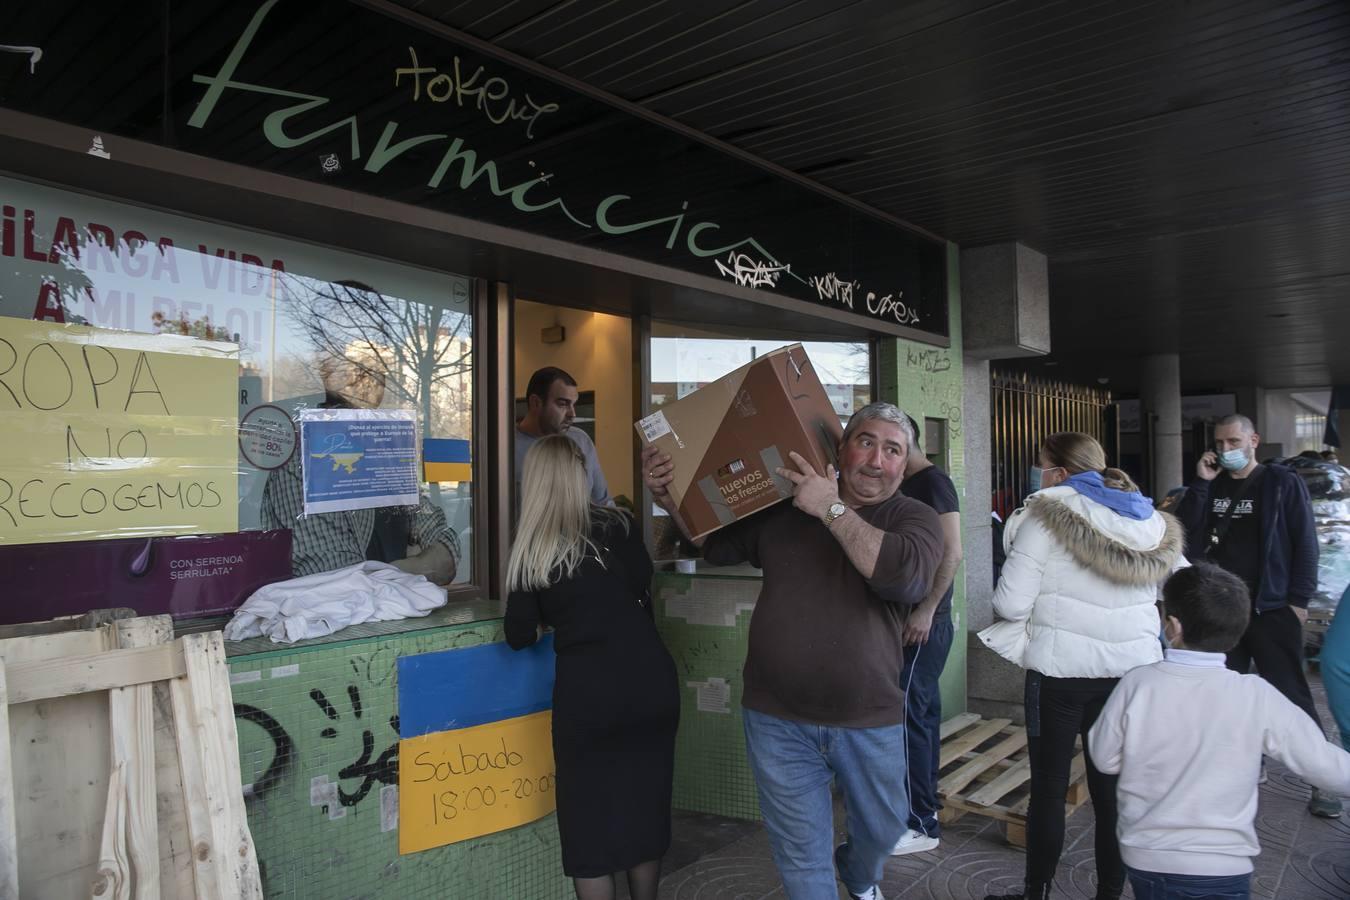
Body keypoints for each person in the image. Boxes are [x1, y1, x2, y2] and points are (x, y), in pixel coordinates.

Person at [644, 401, 943, 900]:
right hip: (776, 717)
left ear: (905, 464)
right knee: (801, 859)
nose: (876, 459)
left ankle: (860, 874)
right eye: (866, 442)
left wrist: (830, 507)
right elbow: (710, 539)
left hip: (868, 721)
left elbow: (901, 577)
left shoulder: (914, 518)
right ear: (841, 447)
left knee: (882, 832)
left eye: (893, 450)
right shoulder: (783, 507)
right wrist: (668, 493)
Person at [979, 432, 1185, 900]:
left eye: (1041, 464)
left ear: (1059, 473)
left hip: (1057, 676)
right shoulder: (1148, 519)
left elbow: (1010, 605)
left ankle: (1037, 894)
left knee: (1049, 791)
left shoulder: (1045, 515)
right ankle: (1110, 894)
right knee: (1112, 795)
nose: (1038, 473)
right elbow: (1181, 583)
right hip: (1130, 677)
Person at [1088, 563, 1350, 900]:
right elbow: (1325, 766)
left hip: (1148, 858)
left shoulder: (1138, 683)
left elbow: (1104, 758)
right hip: (1222, 867)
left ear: (1172, 626)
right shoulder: (1256, 694)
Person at [505, 435, 678, 900]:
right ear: (581, 476)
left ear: (534, 482)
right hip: (653, 684)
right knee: (646, 807)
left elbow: (518, 634)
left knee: (588, 827)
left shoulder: (534, 548)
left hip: (591, 695)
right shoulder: (621, 525)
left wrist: (551, 615)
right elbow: (642, 584)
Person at [1174, 414, 1340, 817]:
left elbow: (1304, 541)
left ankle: (1323, 779)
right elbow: (1188, 535)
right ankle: (1248, 763)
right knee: (1223, 693)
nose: (1226, 450)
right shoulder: (1210, 485)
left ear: (1254, 440)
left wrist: (1299, 599)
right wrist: (1200, 483)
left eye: (1234, 441)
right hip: (1221, 607)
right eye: (1220, 443)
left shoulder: (1281, 482)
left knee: (1291, 691)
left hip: (1271, 606)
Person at [261, 359, 458, 584]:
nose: (372, 383)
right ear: (330, 381)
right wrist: (416, 566)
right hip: (337, 617)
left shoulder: (383, 456)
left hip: (400, 612)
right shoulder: (304, 458)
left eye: (378, 375)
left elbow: (446, 553)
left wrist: (395, 571)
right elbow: (335, 579)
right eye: (360, 373)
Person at [891, 415, 962, 856]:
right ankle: (925, 810)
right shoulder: (908, 483)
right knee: (921, 715)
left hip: (925, 622)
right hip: (919, 620)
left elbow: (952, 551)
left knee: (909, 717)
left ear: (909, 441)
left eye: (892, 446)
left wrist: (927, 610)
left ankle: (919, 824)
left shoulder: (932, 483)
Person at [516, 367, 611, 507]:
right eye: (563, 404)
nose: (572, 414)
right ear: (536, 402)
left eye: (573, 404)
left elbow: (603, 502)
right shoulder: (506, 449)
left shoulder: (581, 440)